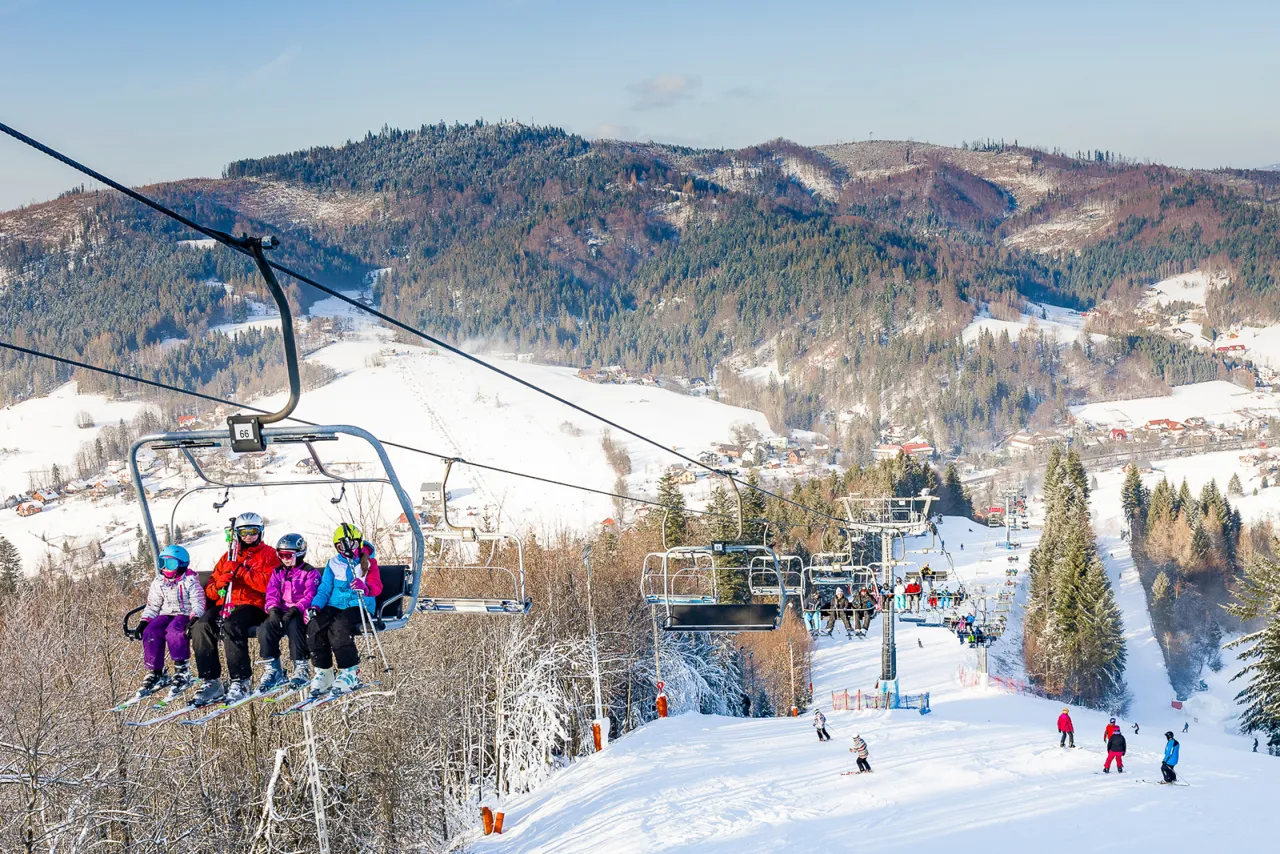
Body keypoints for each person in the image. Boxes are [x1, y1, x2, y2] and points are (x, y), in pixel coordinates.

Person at [191, 512, 279, 706]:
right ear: (237, 534)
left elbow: (270, 584)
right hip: (227, 603)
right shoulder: (227, 557)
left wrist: (242, 572)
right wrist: (219, 585)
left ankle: (241, 680)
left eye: (253, 532)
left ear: (260, 532)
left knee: (232, 626)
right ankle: (211, 681)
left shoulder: (269, 555)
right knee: (201, 626)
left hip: (253, 604)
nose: (248, 537)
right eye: (244, 532)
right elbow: (212, 592)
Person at [307, 523, 383, 698]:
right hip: (335, 605)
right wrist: (315, 606)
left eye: (352, 544)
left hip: (360, 606)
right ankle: (324, 672)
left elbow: (377, 586)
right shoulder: (333, 563)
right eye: (342, 546)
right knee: (315, 625)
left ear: (359, 543)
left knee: (339, 627)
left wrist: (365, 587)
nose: (347, 549)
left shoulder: (369, 563)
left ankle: (350, 672)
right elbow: (325, 589)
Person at [132, 545, 205, 699]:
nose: (165, 568)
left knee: (174, 632)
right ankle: (156, 671)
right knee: (151, 631)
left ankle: (182, 670)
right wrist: (143, 623)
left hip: (184, 613)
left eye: (170, 564)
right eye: (162, 563)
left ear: (181, 565)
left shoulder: (190, 581)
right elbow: (153, 605)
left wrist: (195, 617)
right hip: (166, 613)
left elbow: (198, 601)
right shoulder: (159, 582)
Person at [256, 533, 321, 692]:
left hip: (299, 612)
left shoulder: (309, 573)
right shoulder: (277, 572)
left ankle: (301, 667)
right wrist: (273, 609)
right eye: (281, 555)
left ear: (299, 553)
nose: (284, 559)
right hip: (281, 611)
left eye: (288, 555)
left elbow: (311, 595)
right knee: (265, 629)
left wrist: (295, 609)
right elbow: (272, 592)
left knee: (295, 627)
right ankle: (273, 669)